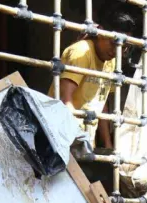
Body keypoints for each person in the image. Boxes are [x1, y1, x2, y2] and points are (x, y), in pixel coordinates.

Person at [53, 5, 138, 149]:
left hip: (86, 141)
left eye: (123, 47)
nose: (117, 50)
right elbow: (64, 98)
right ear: (101, 32)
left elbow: (101, 103)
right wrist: (77, 137)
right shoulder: (82, 52)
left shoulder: (112, 61)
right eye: (114, 43)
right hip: (65, 138)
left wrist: (107, 144)